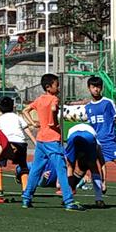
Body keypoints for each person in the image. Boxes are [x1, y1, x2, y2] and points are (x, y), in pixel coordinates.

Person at [18, 73, 76, 210]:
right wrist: (53, 122)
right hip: (52, 139)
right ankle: (69, 201)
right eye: (57, 85)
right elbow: (54, 109)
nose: (59, 88)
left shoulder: (39, 99)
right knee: (61, 169)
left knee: (36, 170)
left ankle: (26, 198)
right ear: (49, 87)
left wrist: (33, 123)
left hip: (41, 140)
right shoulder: (54, 99)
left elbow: (25, 110)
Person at [0, 94, 31, 203]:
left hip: (5, 143)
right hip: (20, 143)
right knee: (23, 166)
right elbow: (26, 128)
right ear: (13, 106)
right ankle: (25, 190)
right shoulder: (17, 117)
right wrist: (34, 140)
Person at [63, 109, 107, 207]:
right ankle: (99, 199)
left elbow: (69, 166)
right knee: (93, 166)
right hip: (88, 137)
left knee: (70, 166)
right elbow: (102, 163)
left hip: (73, 136)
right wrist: (104, 182)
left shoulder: (74, 131)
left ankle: (68, 198)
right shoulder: (97, 143)